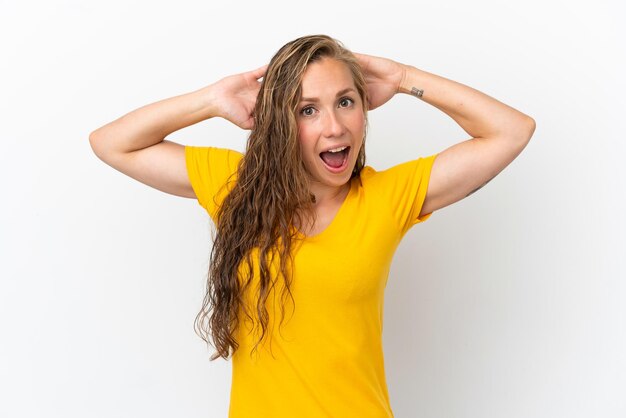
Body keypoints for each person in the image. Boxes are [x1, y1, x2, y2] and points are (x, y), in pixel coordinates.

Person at [90, 34, 535, 418]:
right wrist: (210, 100)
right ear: (280, 122)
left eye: (346, 102)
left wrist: (403, 78)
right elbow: (112, 144)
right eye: (308, 110)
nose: (335, 126)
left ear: (364, 108)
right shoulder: (236, 186)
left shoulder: (387, 197)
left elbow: (511, 131)